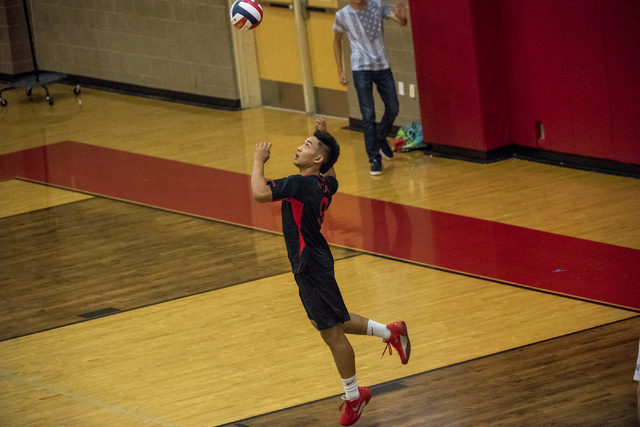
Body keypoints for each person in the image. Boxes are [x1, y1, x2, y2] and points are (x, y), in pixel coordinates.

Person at [251, 117, 411, 426]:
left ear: (317, 159)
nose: (300, 147)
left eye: (307, 145)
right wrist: (322, 135)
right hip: (315, 259)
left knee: (331, 332)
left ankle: (354, 397)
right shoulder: (326, 183)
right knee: (325, 321)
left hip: (309, 262)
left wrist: (259, 161)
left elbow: (259, 193)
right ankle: (391, 332)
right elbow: (332, 171)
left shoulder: (299, 185)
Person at [333, 0, 408, 176]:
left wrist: (402, 17)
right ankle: (374, 158)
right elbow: (336, 41)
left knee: (393, 107)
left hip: (382, 66)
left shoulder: (377, 6)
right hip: (361, 69)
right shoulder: (342, 15)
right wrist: (340, 71)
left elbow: (401, 21)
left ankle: (381, 137)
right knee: (368, 115)